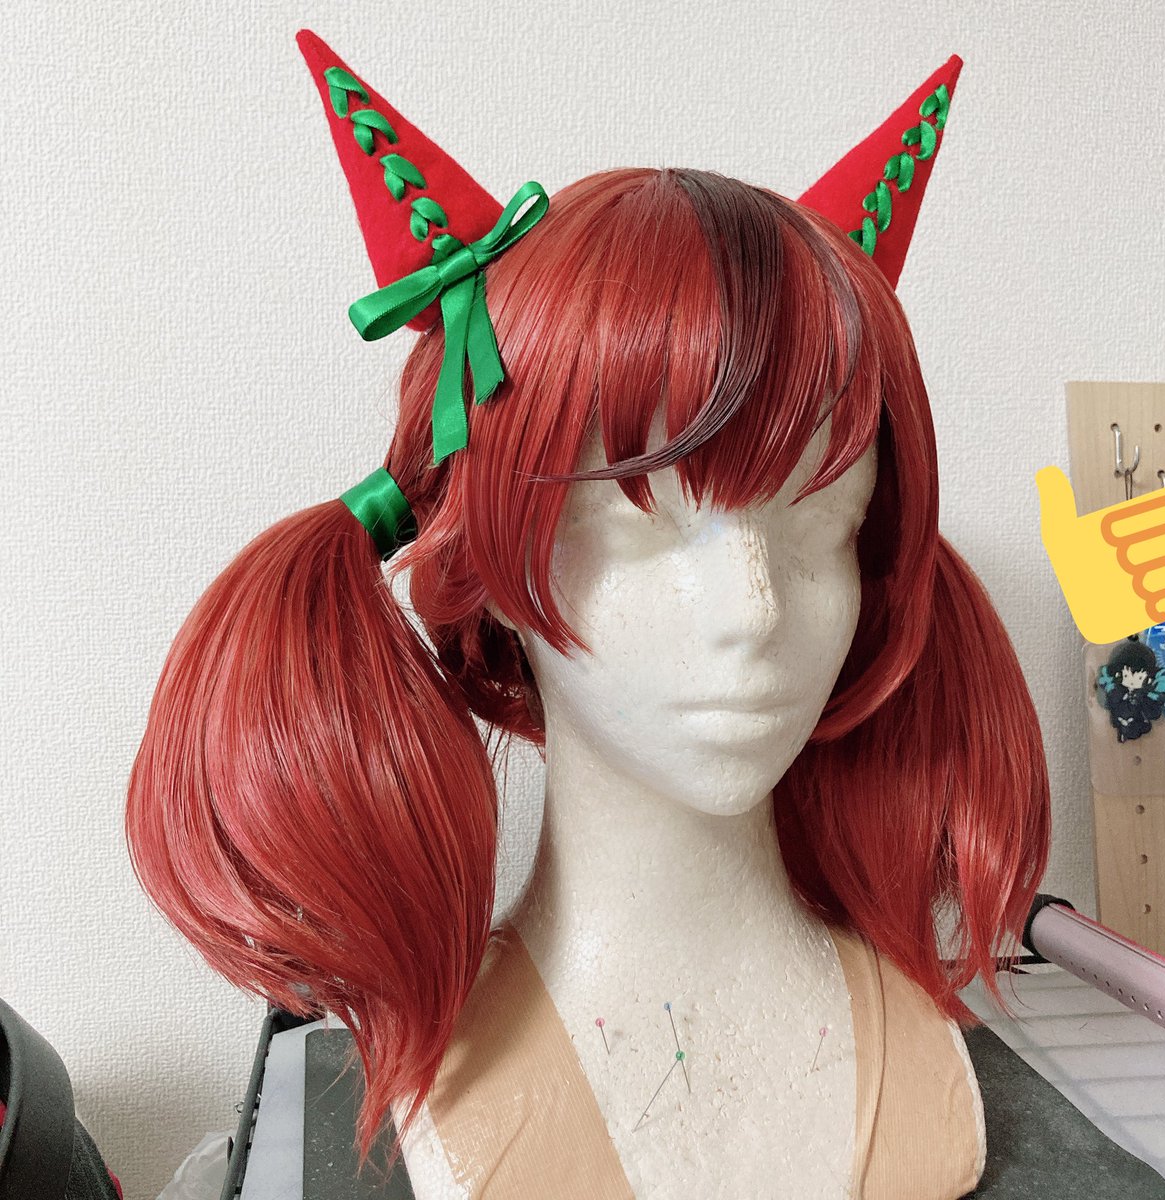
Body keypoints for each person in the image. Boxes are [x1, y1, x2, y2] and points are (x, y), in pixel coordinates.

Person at [126, 32, 1049, 1198]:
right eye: (636, 519)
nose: (754, 609)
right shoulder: (459, 1095)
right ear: (488, 554)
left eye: (821, 521)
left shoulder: (925, 1054)